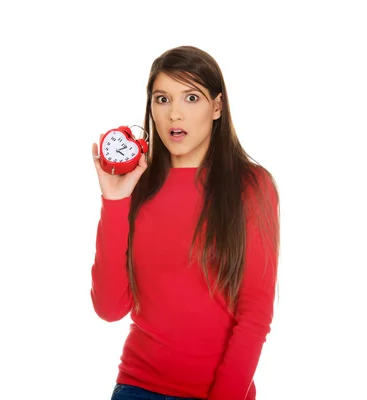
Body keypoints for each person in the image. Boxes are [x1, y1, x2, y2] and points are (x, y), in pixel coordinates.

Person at [90, 45, 280, 400]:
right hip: (137, 388)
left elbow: (255, 314)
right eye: (162, 99)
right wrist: (114, 201)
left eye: (191, 97)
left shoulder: (252, 185)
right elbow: (109, 308)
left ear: (217, 107)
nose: (175, 113)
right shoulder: (138, 187)